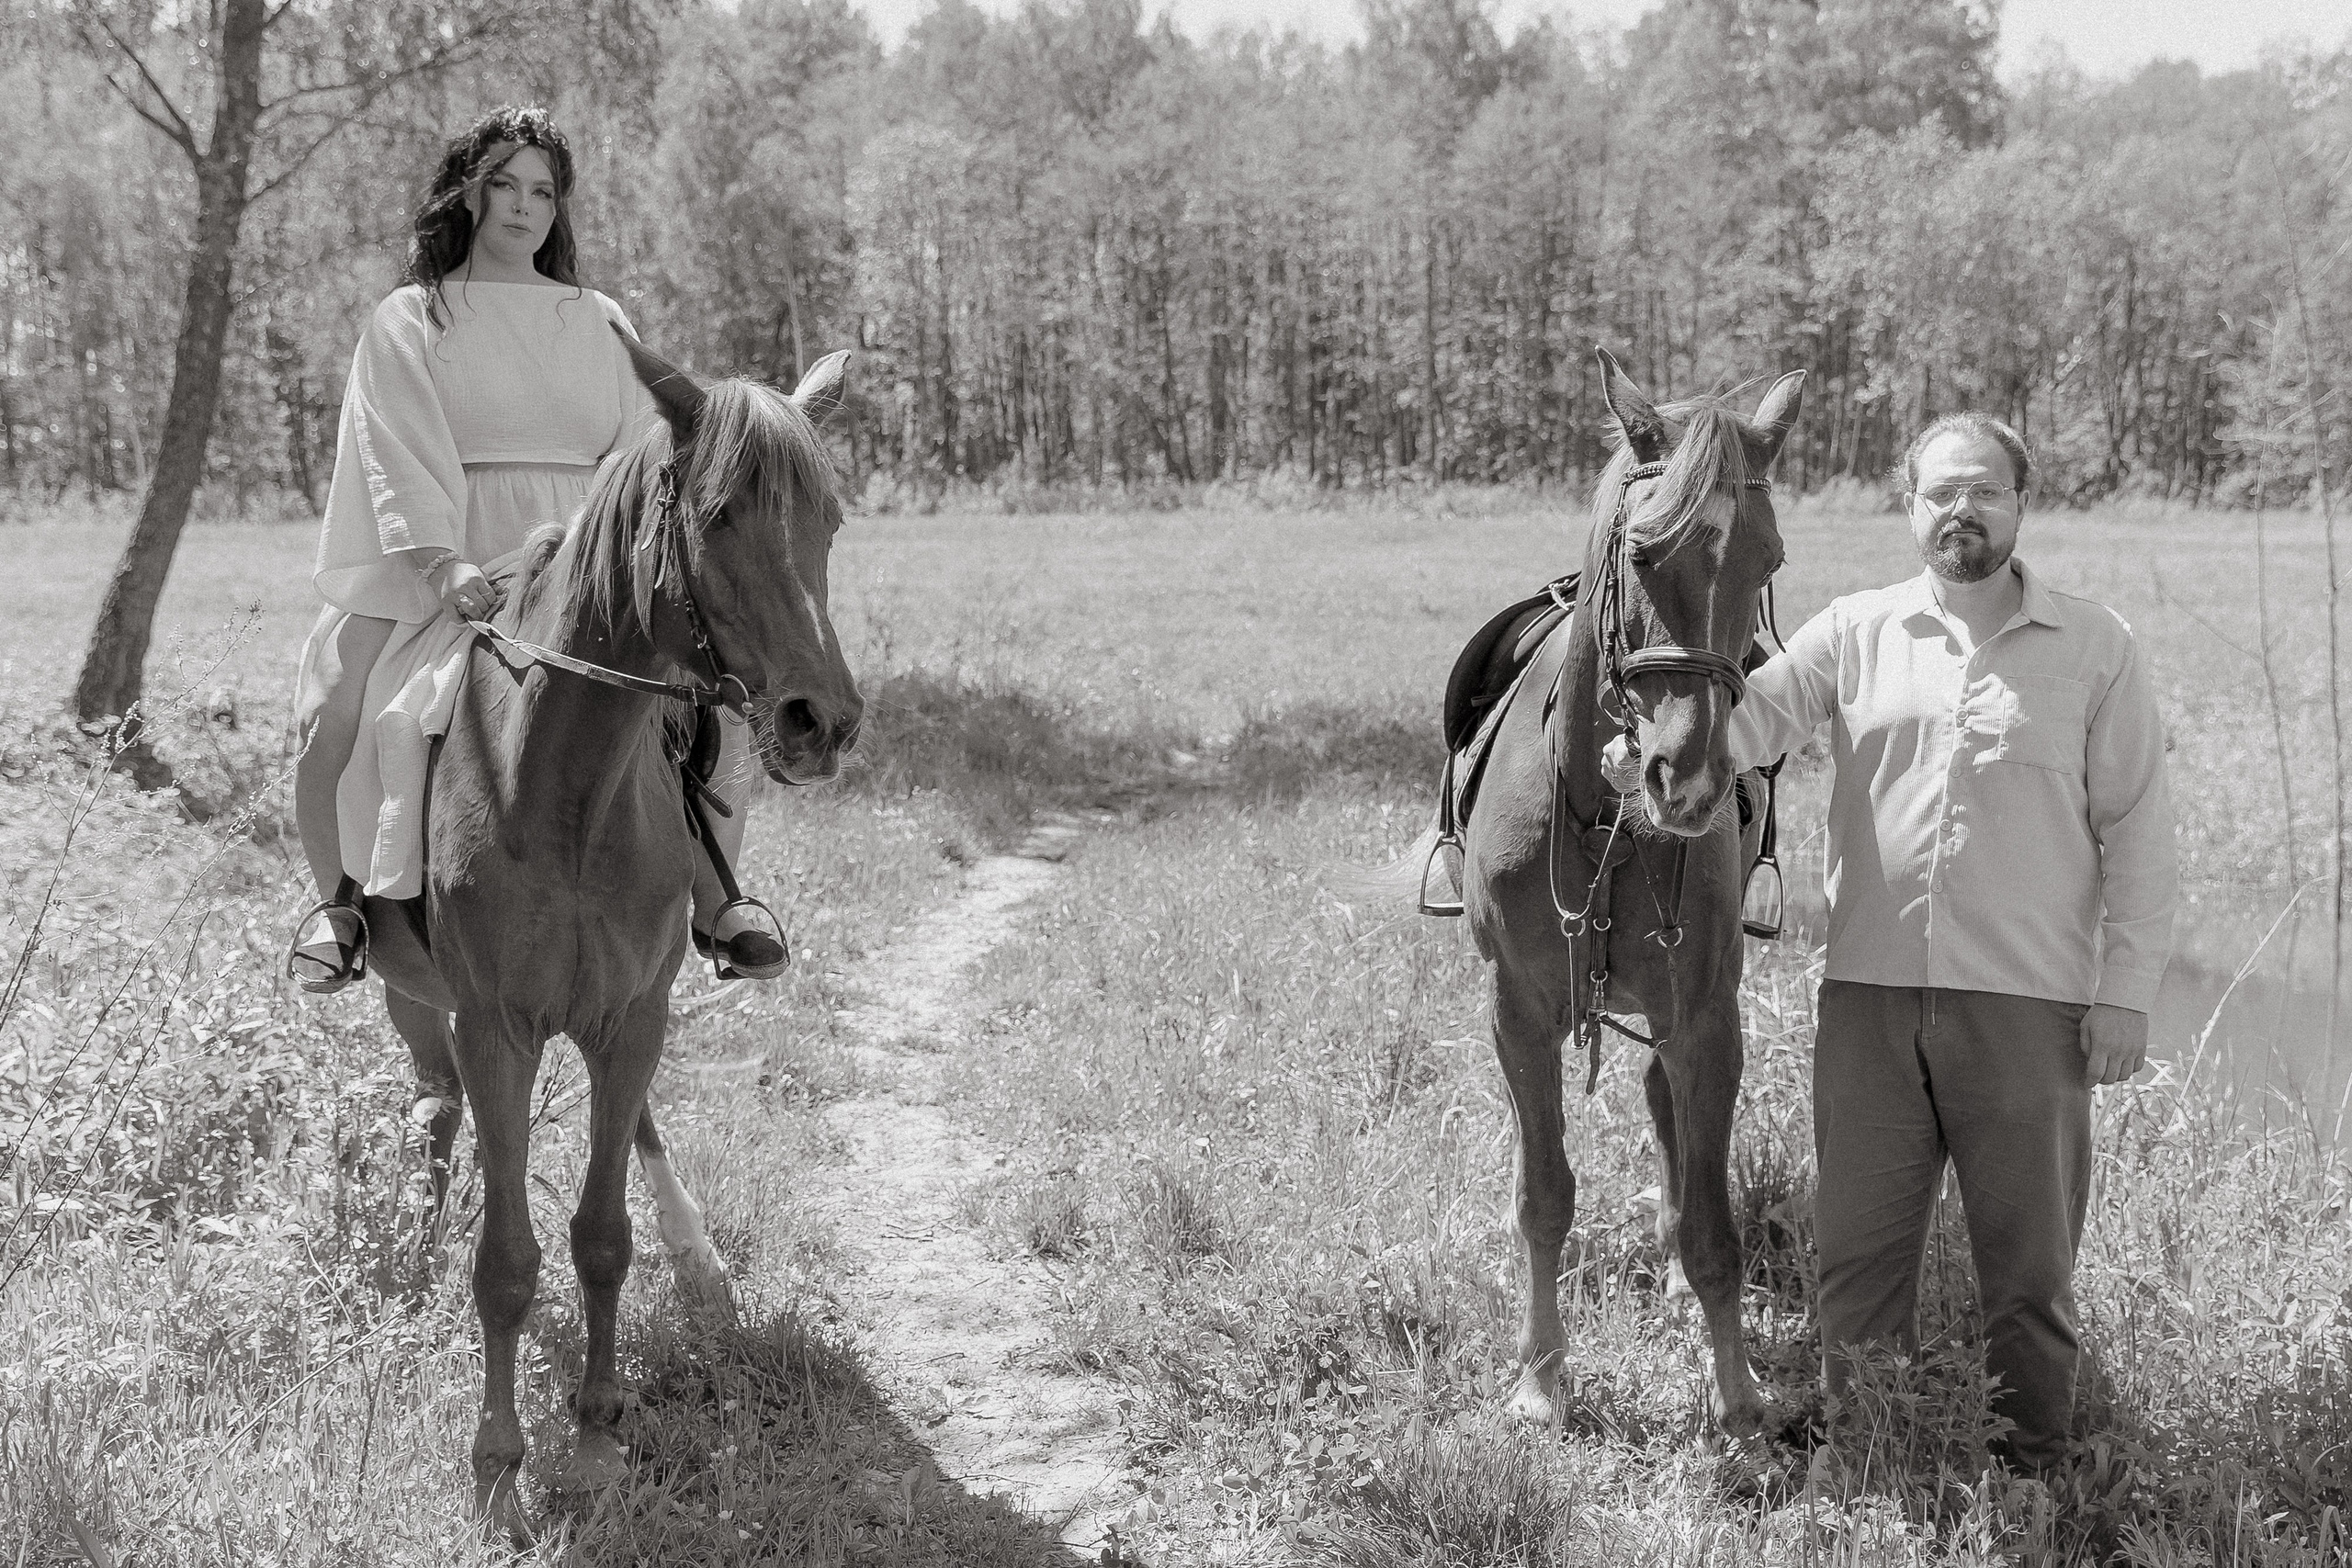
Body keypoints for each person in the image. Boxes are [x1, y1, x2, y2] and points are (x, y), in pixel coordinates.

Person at [1723, 412, 2177, 1469]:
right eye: (1938, 492)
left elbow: (2140, 830)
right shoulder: (1854, 632)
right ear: (1908, 506)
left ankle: (2029, 1475)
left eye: (1983, 490)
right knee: (1859, 1261)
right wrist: (1645, 741)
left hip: (2029, 1009)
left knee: (2027, 1269)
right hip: (1870, 1002)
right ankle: (1871, 1465)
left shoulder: (2096, 647)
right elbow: (1743, 725)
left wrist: (2126, 992)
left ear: (2021, 503)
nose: (1959, 509)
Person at [288, 105, 783, 993]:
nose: (523, 206)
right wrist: (444, 564)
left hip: (582, 563)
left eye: (543, 191)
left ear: (560, 210)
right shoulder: (413, 317)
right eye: (504, 185)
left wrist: (615, 570)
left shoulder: (598, 320)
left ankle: (717, 901)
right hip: (445, 558)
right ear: (469, 195)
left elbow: (642, 455)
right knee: (338, 702)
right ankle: (343, 907)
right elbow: (393, 444)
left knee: (716, 710)